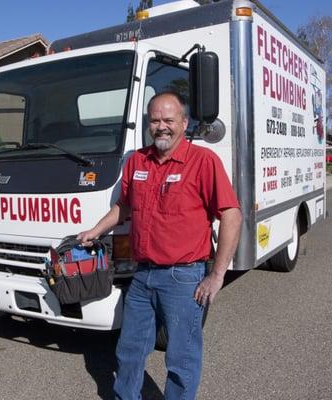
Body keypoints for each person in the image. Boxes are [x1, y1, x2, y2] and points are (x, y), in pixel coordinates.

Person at [77, 91, 242, 400]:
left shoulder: (202, 161)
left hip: (184, 278)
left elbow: (231, 214)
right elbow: (124, 207)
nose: (161, 127)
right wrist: (95, 230)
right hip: (143, 276)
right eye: (155, 120)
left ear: (184, 122)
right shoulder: (138, 160)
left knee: (180, 358)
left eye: (169, 120)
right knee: (129, 352)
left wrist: (217, 275)